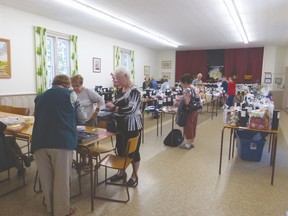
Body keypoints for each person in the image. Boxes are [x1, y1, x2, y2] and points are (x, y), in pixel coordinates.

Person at [31, 75, 87, 216]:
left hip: (39, 142)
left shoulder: (40, 96)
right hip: (62, 142)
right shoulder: (71, 95)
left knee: (46, 179)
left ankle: (50, 208)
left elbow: (35, 115)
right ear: (67, 85)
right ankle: (62, 211)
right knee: (61, 180)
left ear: (53, 84)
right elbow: (83, 117)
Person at [105, 66, 142, 187]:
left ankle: (134, 175)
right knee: (120, 150)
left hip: (132, 126)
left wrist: (114, 107)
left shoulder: (135, 90)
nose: (117, 81)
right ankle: (121, 172)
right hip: (120, 126)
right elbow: (116, 103)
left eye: (119, 79)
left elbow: (131, 109)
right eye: (116, 79)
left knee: (133, 153)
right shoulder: (121, 90)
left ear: (126, 76)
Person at [178, 73, 200, 149]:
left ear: (185, 83)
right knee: (193, 125)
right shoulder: (194, 88)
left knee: (188, 126)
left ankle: (188, 144)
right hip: (195, 110)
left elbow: (187, 102)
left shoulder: (187, 89)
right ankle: (191, 141)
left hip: (189, 110)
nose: (180, 84)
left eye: (181, 82)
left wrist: (182, 100)